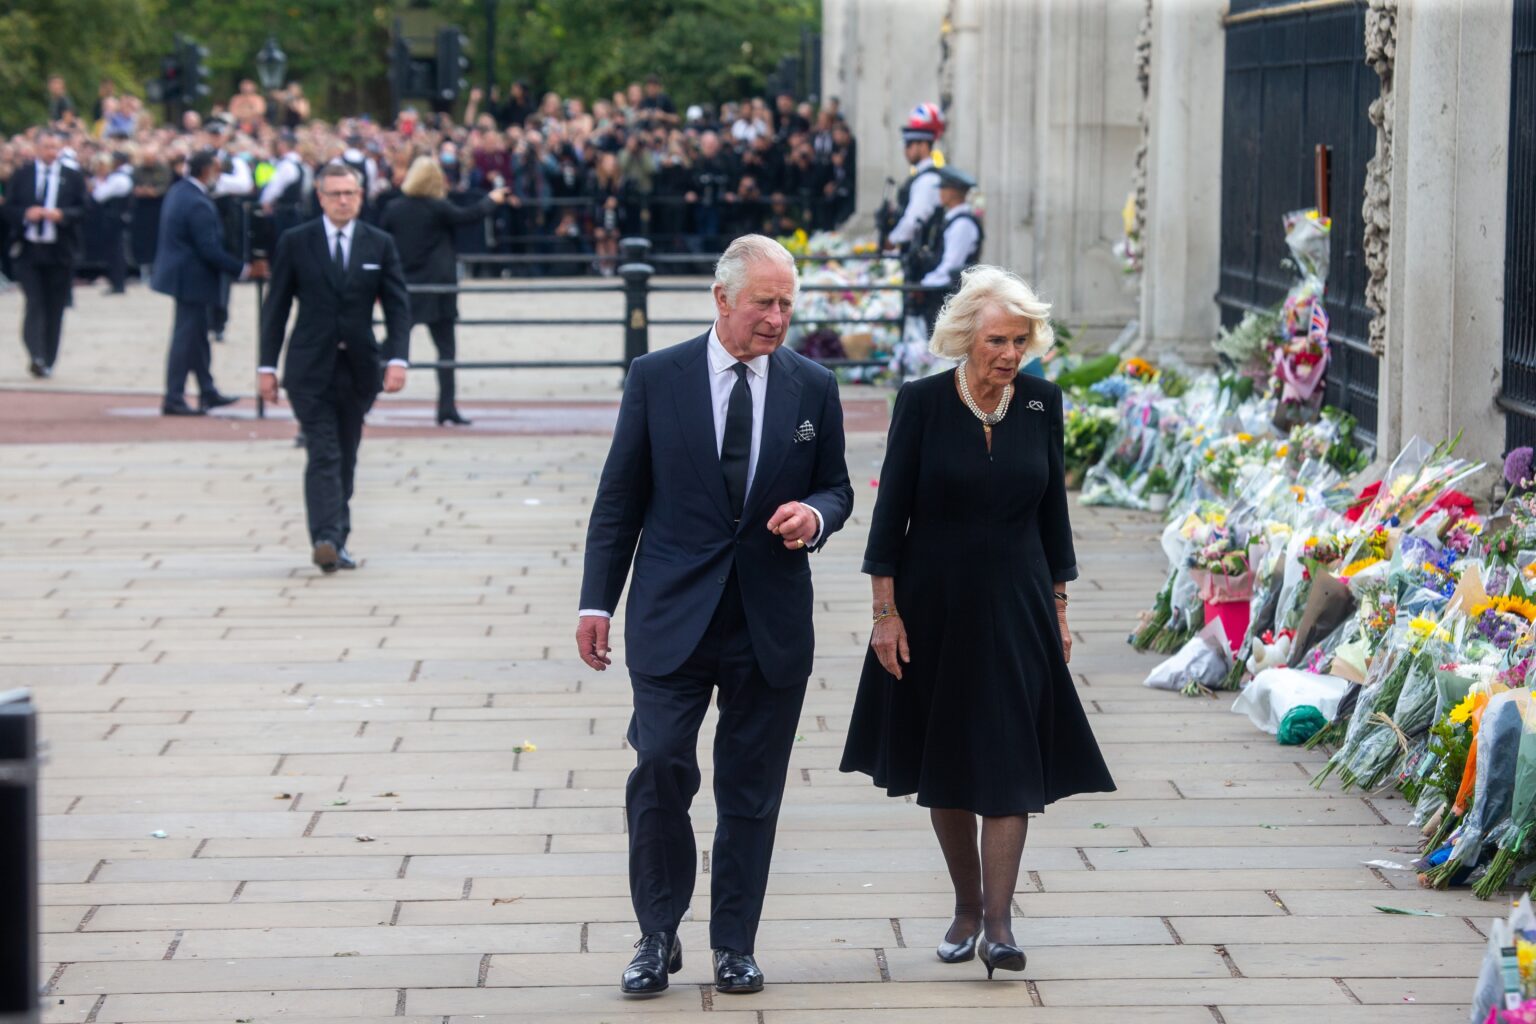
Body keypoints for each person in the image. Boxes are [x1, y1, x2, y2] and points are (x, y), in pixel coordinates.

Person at [577, 235, 854, 999]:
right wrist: (597, 600)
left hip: (768, 623)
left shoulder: (812, 386)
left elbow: (838, 486)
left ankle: (734, 944)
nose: (776, 318)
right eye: (763, 302)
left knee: (750, 791)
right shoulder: (657, 378)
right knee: (661, 766)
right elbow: (619, 499)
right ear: (721, 298)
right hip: (673, 617)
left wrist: (815, 515)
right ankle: (656, 933)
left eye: (787, 304)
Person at [839, 265, 1114, 980]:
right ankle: (966, 906)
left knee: (1011, 756)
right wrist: (884, 613)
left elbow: (1054, 512)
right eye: (998, 339)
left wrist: (1059, 606)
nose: (1010, 354)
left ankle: (999, 922)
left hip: (1019, 604)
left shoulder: (1040, 404)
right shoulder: (924, 404)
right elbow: (888, 517)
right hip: (935, 608)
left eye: (1021, 340)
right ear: (965, 337)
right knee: (952, 761)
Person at [258, 163, 411, 573]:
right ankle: (325, 537)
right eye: (336, 194)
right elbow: (275, 309)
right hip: (309, 367)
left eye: (351, 193)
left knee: (346, 454)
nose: (344, 200)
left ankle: (337, 537)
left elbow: (398, 306)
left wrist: (397, 359)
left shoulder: (378, 244)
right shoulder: (296, 242)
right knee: (323, 450)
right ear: (321, 198)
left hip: (359, 367)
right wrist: (266, 367)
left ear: (361, 196)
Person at [380, 156, 507, 426]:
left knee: (391, 345)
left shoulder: (394, 208)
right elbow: (469, 216)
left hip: (408, 287)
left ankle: (363, 395)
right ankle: (446, 407)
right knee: (446, 352)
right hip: (438, 288)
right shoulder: (437, 208)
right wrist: (492, 200)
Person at [151, 149, 258, 416]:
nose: (219, 175)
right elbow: (209, 249)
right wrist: (244, 269)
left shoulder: (180, 191)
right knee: (186, 337)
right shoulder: (198, 202)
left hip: (183, 275)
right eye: (217, 169)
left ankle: (207, 390)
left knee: (197, 337)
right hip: (192, 277)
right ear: (207, 170)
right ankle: (174, 397)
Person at [4, 131, 86, 378]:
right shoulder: (23, 175)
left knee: (55, 307)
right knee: (34, 303)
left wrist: (63, 215)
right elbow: (8, 208)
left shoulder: (72, 177)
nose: (51, 152)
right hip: (29, 249)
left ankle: (48, 358)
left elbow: (84, 209)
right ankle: (36, 354)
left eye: (55, 147)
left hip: (59, 250)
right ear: (38, 148)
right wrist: (25, 214)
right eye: (47, 147)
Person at [909, 167, 985, 335]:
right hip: (943, 295)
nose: (940, 193)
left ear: (952, 192)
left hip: (949, 296)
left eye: (943, 188)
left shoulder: (962, 224)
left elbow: (950, 267)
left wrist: (923, 285)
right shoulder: (951, 220)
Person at [880, 102, 945, 254]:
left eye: (909, 144)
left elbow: (914, 220)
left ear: (923, 146)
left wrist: (891, 240)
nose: (905, 150)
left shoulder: (928, 180)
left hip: (919, 256)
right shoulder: (921, 176)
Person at [89, 150, 134, 294]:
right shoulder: (117, 177)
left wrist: (97, 183)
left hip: (115, 221)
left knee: (116, 252)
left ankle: (118, 283)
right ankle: (115, 282)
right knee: (113, 252)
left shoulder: (119, 179)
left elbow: (99, 195)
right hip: (112, 221)